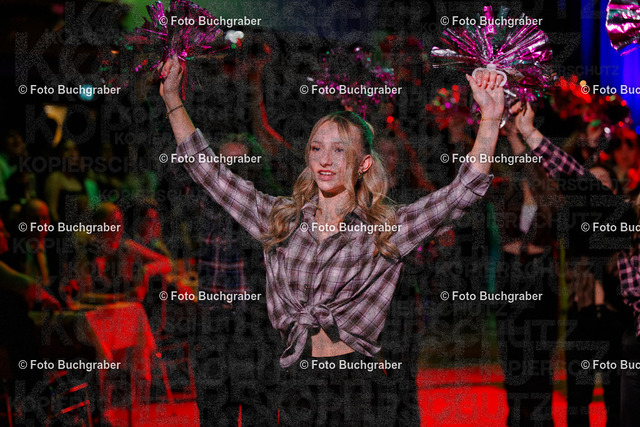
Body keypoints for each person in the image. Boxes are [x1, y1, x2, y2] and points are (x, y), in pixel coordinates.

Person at [159, 54, 504, 425]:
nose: (325, 160)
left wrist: (489, 118)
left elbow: (463, 192)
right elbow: (207, 170)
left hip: (358, 387)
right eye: (317, 148)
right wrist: (172, 99)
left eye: (339, 150)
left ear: (363, 163)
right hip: (296, 382)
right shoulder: (281, 219)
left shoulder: (383, 228)